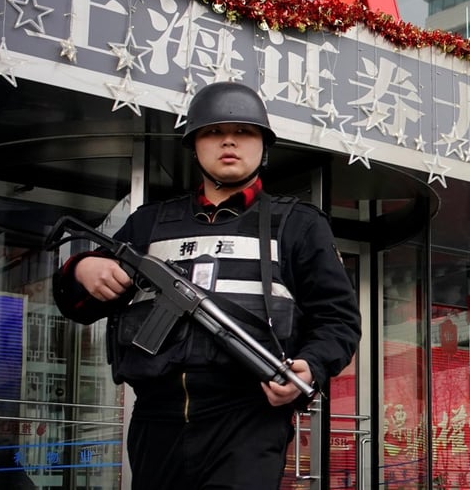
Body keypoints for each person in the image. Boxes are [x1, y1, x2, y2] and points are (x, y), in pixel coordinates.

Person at [52, 82, 361, 490]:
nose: (229, 140)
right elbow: (81, 304)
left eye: (244, 131)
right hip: (155, 421)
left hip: (248, 419)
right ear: (194, 144)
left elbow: (338, 320)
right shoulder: (150, 222)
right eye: (214, 131)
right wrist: (82, 270)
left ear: (263, 146)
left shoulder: (298, 224)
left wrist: (313, 365)